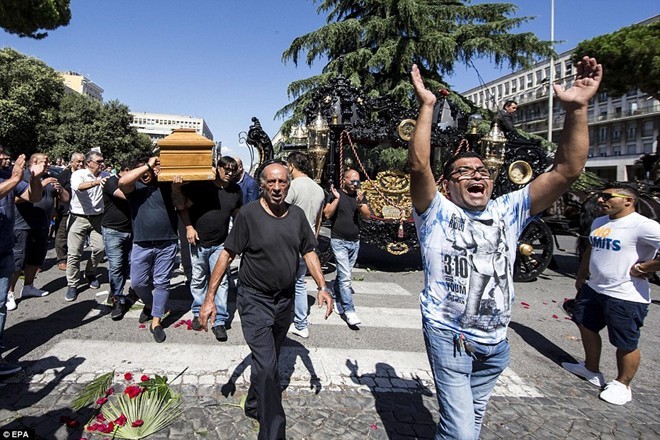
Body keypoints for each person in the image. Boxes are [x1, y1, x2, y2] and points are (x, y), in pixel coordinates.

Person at [408, 56, 602, 439]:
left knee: (472, 422)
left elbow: (567, 170)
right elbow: (418, 166)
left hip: (495, 346)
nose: (475, 175)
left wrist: (578, 109)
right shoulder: (435, 212)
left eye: (482, 171)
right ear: (447, 186)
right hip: (451, 337)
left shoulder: (509, 210)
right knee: (460, 431)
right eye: (463, 172)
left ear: (492, 182)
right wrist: (427, 106)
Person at [199, 162, 333, 440]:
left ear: (288, 185)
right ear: (262, 184)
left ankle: (252, 403)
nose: (276, 187)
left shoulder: (296, 216)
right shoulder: (249, 215)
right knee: (270, 366)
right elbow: (227, 254)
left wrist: (322, 286)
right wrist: (209, 298)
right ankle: (273, 432)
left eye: (282, 182)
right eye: (271, 182)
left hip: (283, 302)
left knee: (265, 362)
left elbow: (308, 251)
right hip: (254, 300)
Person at [562, 184, 660, 405]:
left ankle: (623, 384)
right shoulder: (600, 222)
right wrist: (581, 275)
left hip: (626, 294)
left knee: (625, 341)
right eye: (600, 196)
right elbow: (590, 248)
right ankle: (591, 369)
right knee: (586, 326)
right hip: (594, 288)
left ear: (628, 200)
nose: (600, 200)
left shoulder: (644, 226)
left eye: (607, 196)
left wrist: (646, 268)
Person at [171, 156, 243, 342]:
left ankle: (219, 321)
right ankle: (198, 313)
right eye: (226, 169)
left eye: (232, 170)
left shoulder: (235, 190)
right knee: (198, 279)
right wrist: (188, 226)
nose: (229, 173)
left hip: (221, 244)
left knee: (222, 282)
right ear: (217, 168)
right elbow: (181, 206)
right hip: (199, 243)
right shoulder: (203, 186)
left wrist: (237, 238)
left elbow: (237, 215)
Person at [119, 156, 179, 343]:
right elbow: (122, 181)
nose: (146, 174)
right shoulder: (134, 188)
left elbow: (180, 202)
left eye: (150, 172)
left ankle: (156, 321)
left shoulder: (166, 185)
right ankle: (152, 305)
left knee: (162, 282)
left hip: (167, 242)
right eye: (142, 171)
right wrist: (147, 165)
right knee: (137, 282)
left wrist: (174, 184)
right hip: (141, 243)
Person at [0, 152, 45, 375]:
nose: (5, 160)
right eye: (1, 156)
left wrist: (35, 180)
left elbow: (33, 197)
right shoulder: (12, 177)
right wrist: (15, 179)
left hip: (4, 249)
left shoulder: (7, 176)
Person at [7, 153, 69, 310]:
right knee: (17, 261)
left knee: (35, 259)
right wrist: (42, 183)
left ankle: (28, 286)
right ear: (34, 162)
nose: (48, 163)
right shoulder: (23, 175)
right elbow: (16, 198)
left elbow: (66, 199)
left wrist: (60, 189)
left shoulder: (50, 176)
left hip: (42, 225)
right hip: (22, 225)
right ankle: (9, 292)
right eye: (45, 161)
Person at [285, 151, 325, 339]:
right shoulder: (318, 189)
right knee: (299, 283)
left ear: (291, 166)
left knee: (283, 282)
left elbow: (280, 214)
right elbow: (318, 221)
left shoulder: (292, 186)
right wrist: (313, 241)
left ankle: (284, 318)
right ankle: (301, 322)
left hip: (289, 242)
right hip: (307, 244)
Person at [323, 169, 371, 326]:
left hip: (354, 241)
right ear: (344, 180)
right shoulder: (336, 193)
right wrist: (336, 199)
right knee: (345, 278)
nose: (355, 184)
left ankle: (337, 296)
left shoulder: (360, 196)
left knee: (345, 275)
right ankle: (350, 310)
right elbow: (327, 214)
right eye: (352, 181)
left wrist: (360, 204)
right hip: (339, 241)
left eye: (357, 181)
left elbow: (367, 215)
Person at [65, 151, 107, 301]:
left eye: (102, 160)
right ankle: (72, 284)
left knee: (100, 248)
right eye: (98, 161)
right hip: (78, 217)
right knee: (74, 252)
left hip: (97, 218)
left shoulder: (105, 175)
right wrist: (96, 182)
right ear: (89, 162)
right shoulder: (79, 174)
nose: (101, 163)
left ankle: (90, 272)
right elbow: (78, 187)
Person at [102, 161, 133, 320]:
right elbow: (126, 196)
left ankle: (119, 292)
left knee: (127, 265)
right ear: (126, 170)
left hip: (130, 230)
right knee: (115, 266)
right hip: (113, 231)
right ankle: (117, 299)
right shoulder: (111, 181)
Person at [55, 152, 84, 271]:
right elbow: (56, 191)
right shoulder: (65, 175)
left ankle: (72, 256)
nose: (81, 164)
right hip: (65, 209)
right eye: (78, 161)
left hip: (80, 210)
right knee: (62, 234)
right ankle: (61, 259)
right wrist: (54, 210)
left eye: (82, 161)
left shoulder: (85, 174)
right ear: (72, 162)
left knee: (74, 235)